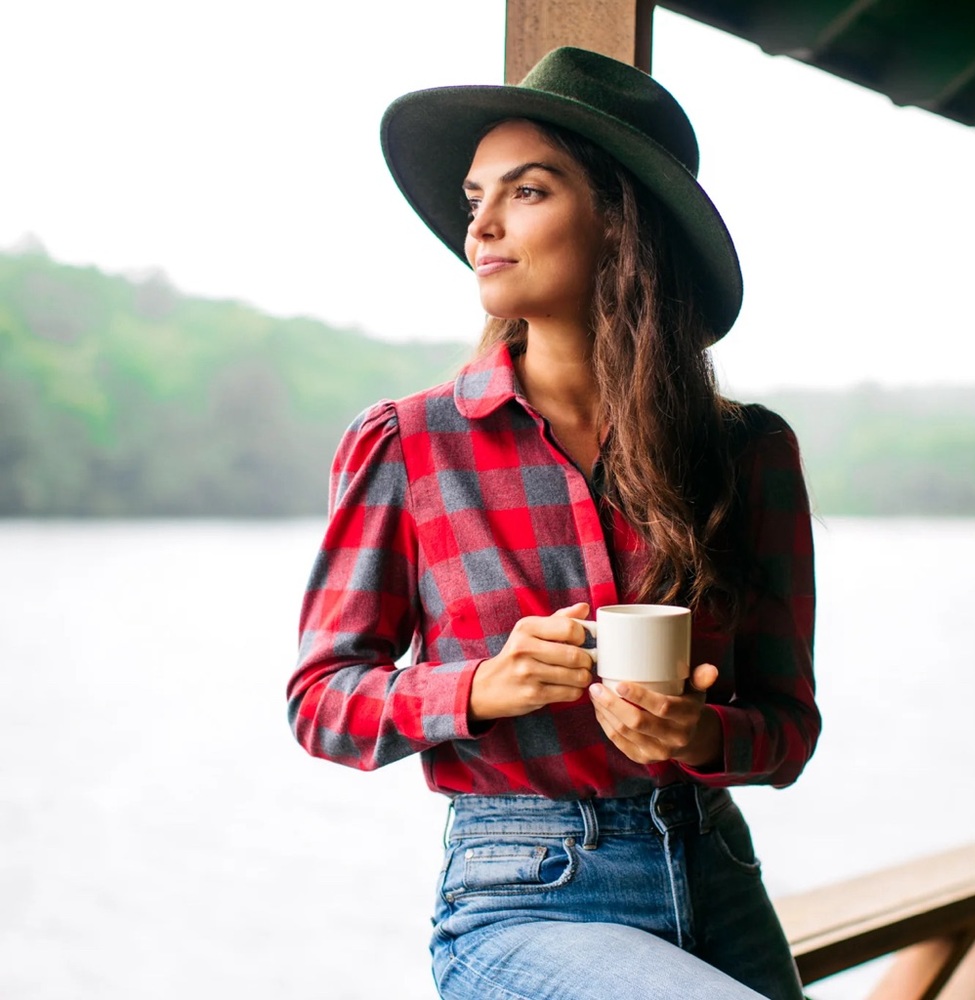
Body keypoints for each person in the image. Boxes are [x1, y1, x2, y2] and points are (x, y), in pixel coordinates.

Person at [288, 46, 819, 1000]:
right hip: (524, 896)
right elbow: (322, 702)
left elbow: (788, 727)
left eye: (525, 192)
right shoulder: (410, 445)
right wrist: (483, 686)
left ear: (621, 221)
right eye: (474, 197)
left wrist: (700, 737)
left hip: (719, 876)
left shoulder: (748, 454)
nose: (480, 225)